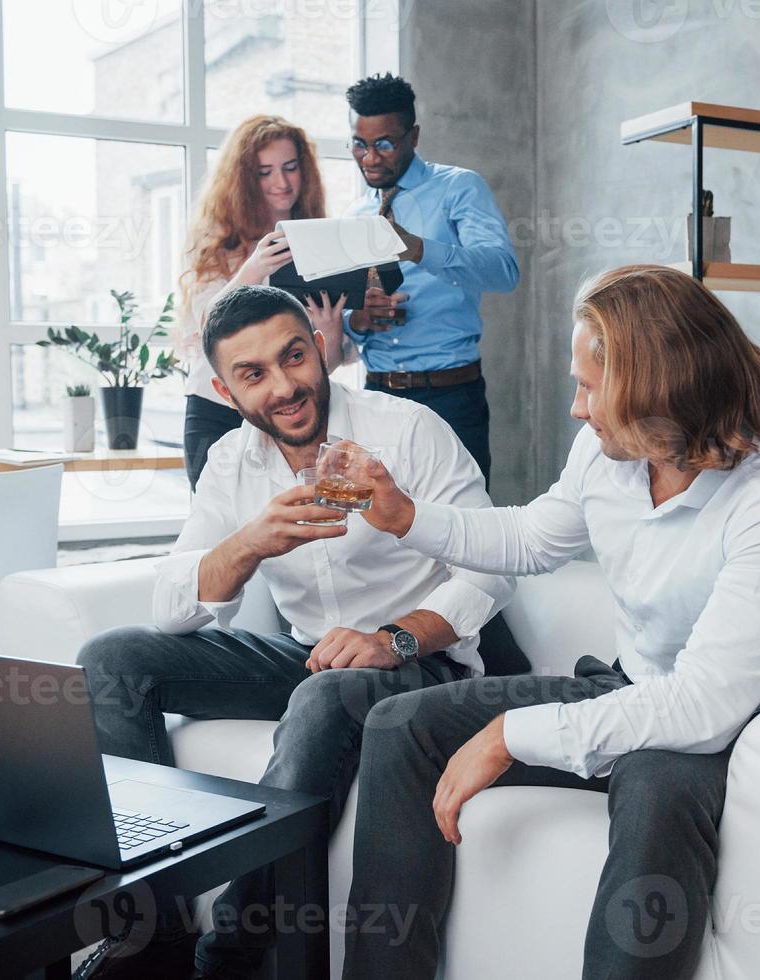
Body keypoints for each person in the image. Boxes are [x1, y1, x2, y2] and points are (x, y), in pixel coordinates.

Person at [340, 265, 760, 980]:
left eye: (588, 387)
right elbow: (530, 540)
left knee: (654, 790)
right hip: (627, 687)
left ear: (658, 390)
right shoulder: (615, 450)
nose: (577, 409)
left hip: (730, 731)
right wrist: (406, 519)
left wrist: (513, 734)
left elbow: (703, 705)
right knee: (399, 727)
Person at [73, 285, 513, 980]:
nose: (285, 386)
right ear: (225, 387)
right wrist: (246, 546)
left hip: (420, 666)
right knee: (111, 658)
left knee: (329, 691)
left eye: (295, 356)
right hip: (314, 661)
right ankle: (146, 936)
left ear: (319, 345)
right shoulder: (230, 464)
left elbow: (491, 570)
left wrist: (393, 638)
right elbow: (171, 606)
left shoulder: (409, 430)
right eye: (255, 374)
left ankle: (225, 961)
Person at [339, 73, 519, 483]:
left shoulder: (459, 188)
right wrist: (361, 319)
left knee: (462, 527)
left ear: (413, 136)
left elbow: (503, 271)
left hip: (451, 395)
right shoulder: (352, 216)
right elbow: (346, 316)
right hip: (376, 395)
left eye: (384, 143)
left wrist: (418, 248)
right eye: (359, 144)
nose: (370, 157)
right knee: (381, 530)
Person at [176, 114, 352, 491]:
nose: (281, 183)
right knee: (224, 535)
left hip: (289, 412)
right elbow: (210, 325)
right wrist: (254, 267)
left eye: (290, 168)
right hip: (218, 411)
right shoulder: (217, 242)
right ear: (243, 179)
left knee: (289, 533)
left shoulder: (317, 239)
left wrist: (331, 331)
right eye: (265, 172)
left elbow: (323, 368)